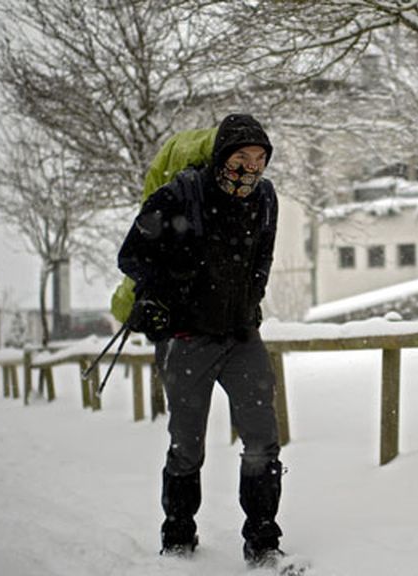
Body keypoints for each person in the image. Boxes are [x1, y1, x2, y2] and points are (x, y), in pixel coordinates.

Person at [117, 114, 284, 567]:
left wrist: (250, 304)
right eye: (240, 158)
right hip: (188, 340)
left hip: (241, 337)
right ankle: (178, 536)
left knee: (263, 441)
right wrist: (174, 288)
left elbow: (262, 258)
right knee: (187, 444)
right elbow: (131, 255)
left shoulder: (265, 198)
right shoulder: (181, 194)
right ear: (220, 157)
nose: (249, 168)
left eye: (258, 159)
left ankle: (263, 541)